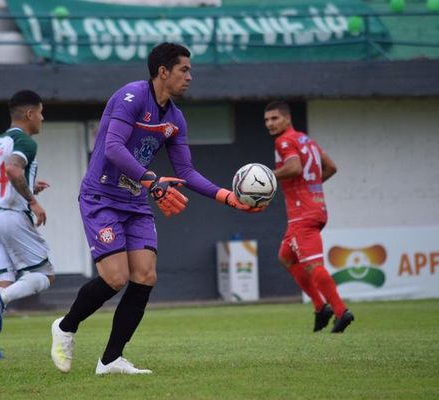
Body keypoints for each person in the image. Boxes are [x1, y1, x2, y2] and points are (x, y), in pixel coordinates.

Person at [50, 42, 261, 376]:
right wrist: (151, 179)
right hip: (101, 197)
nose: (190, 76)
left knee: (145, 275)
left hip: (135, 200)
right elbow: (113, 147)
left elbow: (186, 172)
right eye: (184, 69)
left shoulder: (175, 118)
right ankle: (65, 326)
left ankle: (110, 360)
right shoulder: (131, 97)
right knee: (116, 278)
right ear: (163, 71)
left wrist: (227, 197)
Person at [0, 90, 55, 359]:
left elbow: (5, 174)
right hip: (10, 216)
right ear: (30, 114)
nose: (42, 118)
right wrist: (32, 200)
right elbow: (12, 169)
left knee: (3, 282)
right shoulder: (26, 141)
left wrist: (31, 186)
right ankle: (1, 300)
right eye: (41, 112)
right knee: (45, 275)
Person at [264, 101, 354, 333]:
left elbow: (293, 168)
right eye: (267, 120)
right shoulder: (306, 139)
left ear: (287, 118)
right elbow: (331, 167)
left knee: (313, 264)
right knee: (286, 257)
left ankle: (341, 311)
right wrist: (309, 187)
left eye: (274, 118)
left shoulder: (283, 141)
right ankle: (320, 307)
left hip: (301, 214)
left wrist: (267, 176)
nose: (270, 124)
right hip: (315, 208)